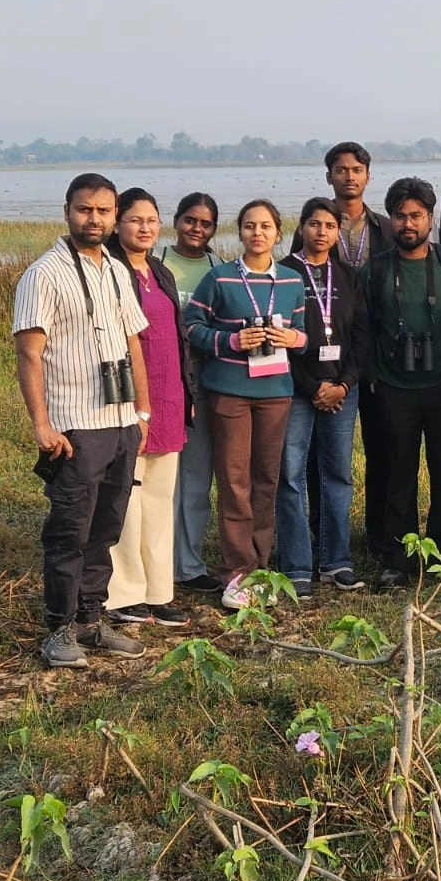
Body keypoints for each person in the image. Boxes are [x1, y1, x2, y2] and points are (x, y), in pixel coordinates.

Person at [13, 173, 151, 667]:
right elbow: (29, 354)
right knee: (69, 531)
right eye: (85, 209)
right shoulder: (43, 274)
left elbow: (133, 342)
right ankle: (59, 629)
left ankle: (91, 621)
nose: (94, 219)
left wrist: (142, 413)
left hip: (120, 422)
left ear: (114, 215)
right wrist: (41, 425)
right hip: (74, 426)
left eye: (103, 211)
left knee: (106, 528)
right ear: (67, 211)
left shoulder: (116, 269)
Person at [185, 200, 309, 610]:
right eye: (250, 226)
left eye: (266, 226)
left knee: (266, 482)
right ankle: (237, 574)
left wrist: (294, 339)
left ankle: (260, 571)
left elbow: (303, 333)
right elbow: (192, 327)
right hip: (230, 393)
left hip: (275, 393)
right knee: (235, 483)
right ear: (239, 232)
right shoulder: (219, 278)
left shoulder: (291, 280)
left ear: (278, 233)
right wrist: (231, 341)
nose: (258, 233)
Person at [364, 178, 441, 589]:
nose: (408, 224)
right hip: (394, 388)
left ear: (430, 218)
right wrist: (374, 377)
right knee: (398, 473)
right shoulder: (376, 269)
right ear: (390, 220)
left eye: (416, 216)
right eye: (400, 216)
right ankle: (397, 559)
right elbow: (364, 328)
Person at [291, 142, 394, 560]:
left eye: (356, 169)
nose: (349, 176)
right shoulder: (297, 254)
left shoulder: (384, 227)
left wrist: (348, 379)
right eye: (341, 169)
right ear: (329, 175)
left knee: (371, 452)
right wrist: (317, 384)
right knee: (307, 464)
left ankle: (371, 540)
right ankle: (310, 545)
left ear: (368, 175)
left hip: (368, 358)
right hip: (313, 373)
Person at [102, 189, 193, 627]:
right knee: (127, 498)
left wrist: (187, 395)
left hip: (170, 397)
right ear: (117, 223)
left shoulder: (161, 271)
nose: (144, 227)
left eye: (152, 220)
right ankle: (125, 594)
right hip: (129, 402)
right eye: (135, 219)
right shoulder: (109, 270)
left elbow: (178, 337)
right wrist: (133, 404)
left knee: (159, 500)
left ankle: (159, 592)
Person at [277, 198, 370, 594]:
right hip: (297, 389)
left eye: (330, 226)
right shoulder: (283, 273)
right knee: (291, 475)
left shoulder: (348, 276)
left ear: (337, 232)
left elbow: (361, 336)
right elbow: (278, 341)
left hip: (342, 391)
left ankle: (336, 562)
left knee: (338, 474)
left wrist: (344, 384)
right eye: (314, 224)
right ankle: (297, 566)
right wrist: (312, 386)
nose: (321, 232)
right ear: (301, 227)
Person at [158, 192, 225, 595]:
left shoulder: (219, 269)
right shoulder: (156, 263)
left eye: (205, 223)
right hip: (163, 381)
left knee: (198, 479)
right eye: (190, 220)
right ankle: (158, 564)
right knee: (162, 478)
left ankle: (190, 565)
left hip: (205, 379)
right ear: (176, 221)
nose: (196, 229)